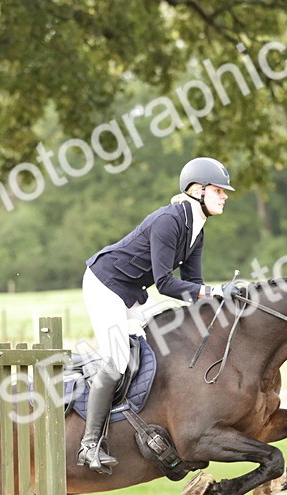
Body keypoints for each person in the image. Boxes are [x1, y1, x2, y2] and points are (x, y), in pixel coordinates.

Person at [77, 156, 238, 474]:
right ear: (198, 190)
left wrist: (223, 302)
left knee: (158, 340)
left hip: (131, 292)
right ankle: (89, 445)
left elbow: (193, 285)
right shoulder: (169, 220)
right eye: (218, 190)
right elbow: (165, 283)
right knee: (118, 359)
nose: (224, 196)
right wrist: (214, 291)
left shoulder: (196, 230)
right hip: (105, 284)